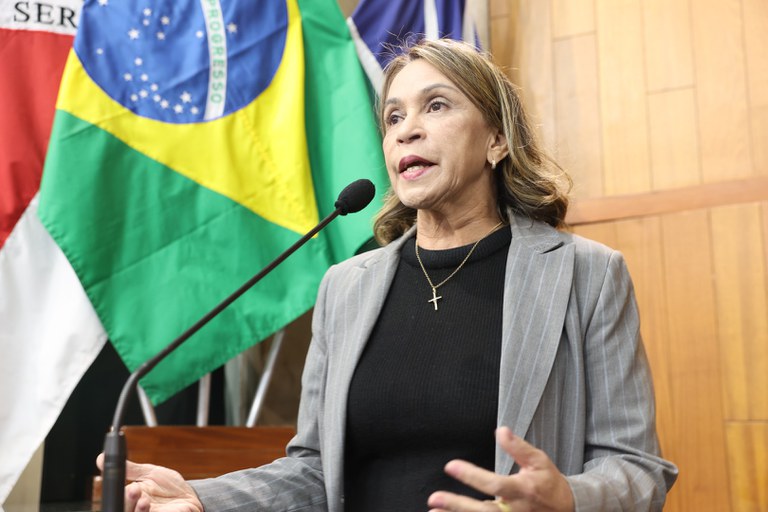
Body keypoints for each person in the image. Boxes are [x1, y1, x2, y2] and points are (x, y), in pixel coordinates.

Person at [97, 39, 678, 511]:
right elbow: (315, 471)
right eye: (394, 116)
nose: (406, 129)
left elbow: (638, 469)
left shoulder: (585, 274)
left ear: (497, 139)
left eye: (436, 106)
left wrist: (568, 499)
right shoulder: (346, 287)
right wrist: (204, 496)